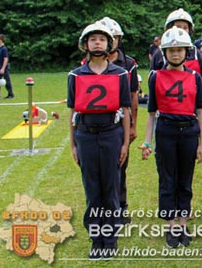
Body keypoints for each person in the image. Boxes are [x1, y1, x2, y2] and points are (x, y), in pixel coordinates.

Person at [67, 22, 131, 259]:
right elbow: (73, 112)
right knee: (92, 188)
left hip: (111, 134)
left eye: (101, 39)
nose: (97, 42)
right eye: (93, 39)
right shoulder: (75, 75)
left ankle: (110, 238)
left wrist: (125, 143)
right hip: (85, 134)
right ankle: (97, 239)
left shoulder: (120, 73)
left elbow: (126, 110)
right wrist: (73, 144)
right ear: (86, 44)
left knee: (110, 187)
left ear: (108, 44)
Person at [139, 26, 202, 248]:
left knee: (185, 179)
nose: (175, 54)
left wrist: (201, 143)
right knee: (167, 179)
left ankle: (184, 223)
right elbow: (151, 114)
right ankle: (171, 226)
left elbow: (201, 112)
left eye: (179, 50)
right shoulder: (155, 76)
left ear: (186, 52)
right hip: (166, 130)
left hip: (189, 131)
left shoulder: (195, 78)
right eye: (171, 50)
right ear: (164, 53)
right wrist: (147, 141)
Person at [97, 17, 139, 224]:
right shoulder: (90, 64)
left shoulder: (129, 64)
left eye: (114, 37)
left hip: (120, 123)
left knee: (120, 166)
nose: (111, 41)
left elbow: (133, 97)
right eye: (108, 37)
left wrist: (133, 125)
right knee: (100, 169)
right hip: (98, 123)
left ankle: (120, 207)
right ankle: (103, 209)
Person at [0, 34, 14, 99]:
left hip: (3, 66)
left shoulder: (4, 48)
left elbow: (6, 58)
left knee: (7, 80)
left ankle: (10, 94)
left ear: (0, 40)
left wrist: (3, 68)